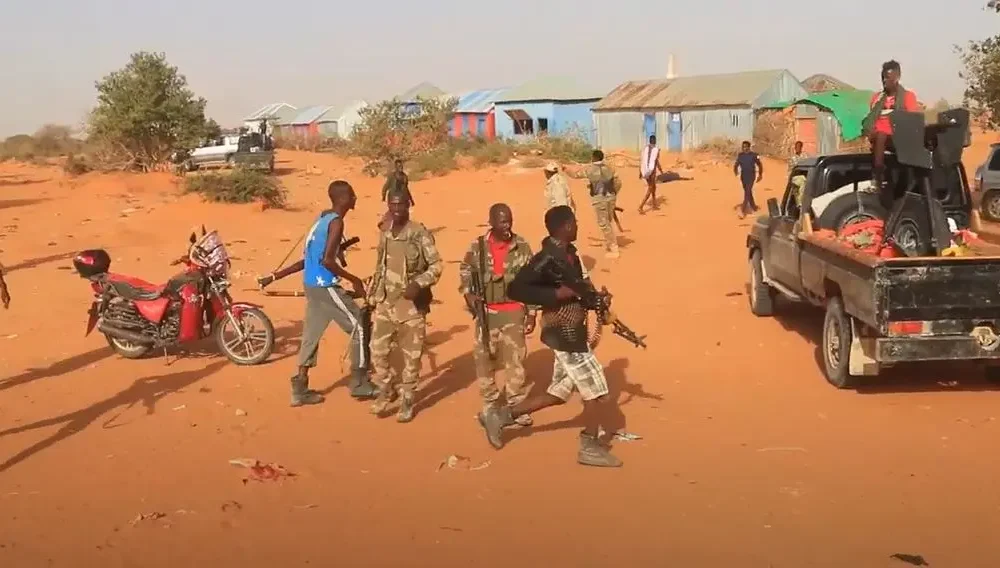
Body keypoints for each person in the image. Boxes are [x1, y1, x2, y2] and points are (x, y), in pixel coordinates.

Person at [478, 205, 622, 468]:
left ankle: (500, 416)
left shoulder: (570, 255)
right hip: (563, 334)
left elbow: (579, 291)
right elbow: (517, 289)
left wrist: (597, 299)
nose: (577, 226)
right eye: (574, 223)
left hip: (573, 330)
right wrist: (555, 295)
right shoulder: (545, 259)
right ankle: (589, 446)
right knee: (595, 391)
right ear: (565, 227)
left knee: (558, 393)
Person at [258, 180, 379, 407]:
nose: (355, 198)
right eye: (352, 195)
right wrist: (355, 281)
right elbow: (327, 261)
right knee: (360, 326)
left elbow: (308, 260)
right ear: (342, 199)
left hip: (312, 286)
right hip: (325, 287)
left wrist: (275, 276)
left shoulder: (321, 220)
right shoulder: (336, 222)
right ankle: (360, 382)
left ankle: (300, 388)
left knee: (310, 336)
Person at [368, 191, 443, 422]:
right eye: (393, 205)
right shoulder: (386, 232)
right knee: (377, 350)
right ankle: (387, 388)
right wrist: (373, 295)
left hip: (410, 306)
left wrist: (418, 284)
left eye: (401, 204)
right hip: (386, 302)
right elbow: (380, 266)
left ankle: (408, 398)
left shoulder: (419, 233)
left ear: (408, 205)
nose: (397, 209)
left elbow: (436, 265)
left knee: (411, 356)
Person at [459, 203, 537, 427]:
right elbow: (465, 269)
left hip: (513, 311)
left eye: (509, 221)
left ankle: (516, 406)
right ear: (491, 222)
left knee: (515, 361)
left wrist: (531, 312)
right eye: (502, 222)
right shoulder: (478, 246)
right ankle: (491, 404)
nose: (507, 226)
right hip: (487, 311)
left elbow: (532, 280)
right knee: (484, 359)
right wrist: (468, 294)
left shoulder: (522, 246)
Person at [862, 60, 919, 209]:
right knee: (878, 135)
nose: (884, 81)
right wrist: (870, 132)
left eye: (888, 78)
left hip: (897, 136)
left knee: (881, 135)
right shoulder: (876, 98)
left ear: (897, 77)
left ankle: (877, 176)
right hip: (878, 137)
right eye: (883, 77)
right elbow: (871, 120)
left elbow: (912, 122)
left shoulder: (907, 97)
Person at [585, 149, 622, 258]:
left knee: (604, 223)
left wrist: (566, 169)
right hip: (611, 197)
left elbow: (576, 174)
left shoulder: (590, 169)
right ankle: (610, 242)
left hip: (600, 199)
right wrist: (614, 193)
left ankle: (613, 247)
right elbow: (618, 183)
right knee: (608, 221)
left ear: (594, 158)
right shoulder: (610, 168)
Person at [734, 141, 763, 218]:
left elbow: (760, 165)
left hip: (751, 176)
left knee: (747, 192)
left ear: (749, 147)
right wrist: (735, 172)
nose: (744, 148)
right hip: (743, 176)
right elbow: (736, 164)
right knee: (748, 192)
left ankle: (742, 211)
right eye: (743, 147)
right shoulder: (740, 155)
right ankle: (754, 207)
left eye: (745, 147)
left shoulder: (754, 155)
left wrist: (760, 175)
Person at [638, 135, 663, 214]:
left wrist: (640, 172)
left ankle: (654, 204)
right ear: (655, 141)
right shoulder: (656, 150)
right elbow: (656, 161)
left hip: (644, 171)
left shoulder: (645, 149)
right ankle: (640, 206)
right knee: (650, 188)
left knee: (654, 187)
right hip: (651, 173)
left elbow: (642, 161)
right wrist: (661, 170)